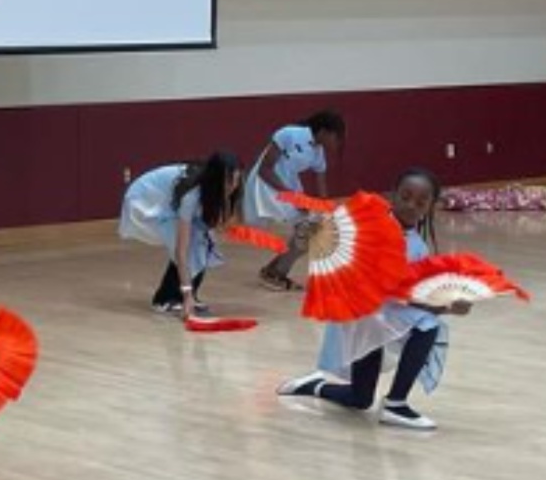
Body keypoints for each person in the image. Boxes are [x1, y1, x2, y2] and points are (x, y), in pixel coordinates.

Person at [275, 168, 464, 432]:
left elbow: (407, 291)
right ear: (393, 196)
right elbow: (394, 293)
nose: (411, 206)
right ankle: (396, 404)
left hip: (382, 315)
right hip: (363, 316)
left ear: (431, 206)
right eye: (406, 197)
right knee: (427, 324)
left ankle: (314, 385)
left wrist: (449, 301)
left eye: (421, 202)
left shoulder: (416, 243)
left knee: (359, 399)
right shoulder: (373, 228)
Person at [117, 152, 242, 317]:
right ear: (216, 179)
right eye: (229, 181)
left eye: (236, 180)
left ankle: (184, 296)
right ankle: (165, 299)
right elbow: (181, 251)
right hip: (145, 201)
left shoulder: (215, 188)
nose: (233, 186)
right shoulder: (191, 196)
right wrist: (187, 294)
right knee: (190, 244)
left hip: (167, 201)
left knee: (203, 239)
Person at [246, 109, 345, 290]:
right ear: (324, 132)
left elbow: (322, 189)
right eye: (335, 137)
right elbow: (264, 169)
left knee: (311, 229)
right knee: (306, 229)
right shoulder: (288, 134)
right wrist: (292, 196)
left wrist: (326, 214)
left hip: (289, 188)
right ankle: (274, 274)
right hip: (265, 186)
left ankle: (272, 271)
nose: (337, 143)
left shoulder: (318, 152)